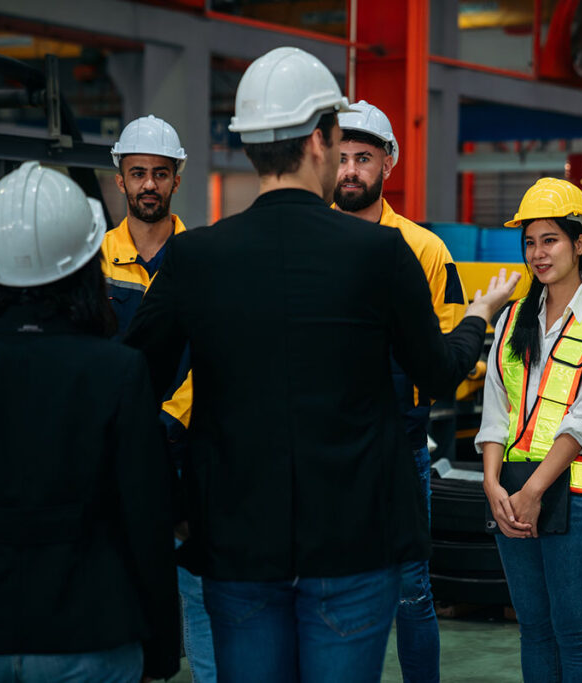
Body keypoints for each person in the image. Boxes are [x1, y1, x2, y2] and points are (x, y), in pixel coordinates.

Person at [123, 46, 519, 683]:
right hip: (353, 541)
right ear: (322, 140)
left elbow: (133, 383)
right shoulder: (381, 253)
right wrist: (477, 317)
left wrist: (169, 498)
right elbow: (441, 373)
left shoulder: (195, 258)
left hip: (236, 540)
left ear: (249, 146)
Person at [0, 161, 179, 681]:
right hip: (89, 635)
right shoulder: (119, 372)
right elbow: (147, 520)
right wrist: (164, 647)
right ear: (86, 266)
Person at [476, 178, 582, 682]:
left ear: (579, 244)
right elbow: (495, 408)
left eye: (551, 240)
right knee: (534, 628)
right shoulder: (513, 320)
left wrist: (532, 491)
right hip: (513, 491)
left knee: (575, 630)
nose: (538, 253)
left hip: (577, 495)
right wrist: (493, 485)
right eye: (530, 241)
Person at [333, 99, 466, 683]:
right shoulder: (310, 243)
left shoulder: (426, 251)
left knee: (412, 592)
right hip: (323, 451)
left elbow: (449, 356)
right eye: (340, 158)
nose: (350, 172)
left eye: (363, 158)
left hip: (400, 446)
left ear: (390, 162)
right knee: (326, 587)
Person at [106, 114, 216, 682]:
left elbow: (217, 353)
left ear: (177, 180)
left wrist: (172, 418)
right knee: (119, 581)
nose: (149, 184)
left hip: (190, 448)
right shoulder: (93, 263)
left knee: (198, 588)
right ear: (119, 180)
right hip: (114, 451)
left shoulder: (204, 260)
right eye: (138, 173)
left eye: (160, 174)